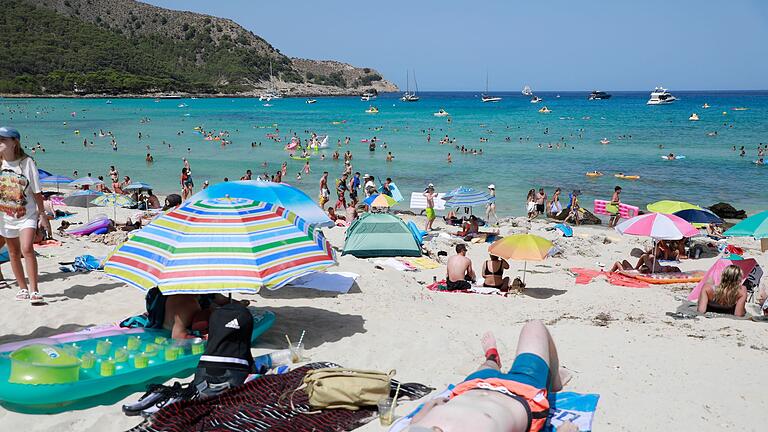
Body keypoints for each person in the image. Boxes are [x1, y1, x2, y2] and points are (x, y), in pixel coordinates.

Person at [408, 321, 576, 432]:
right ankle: (554, 382)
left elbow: (412, 424)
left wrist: (430, 406)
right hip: (522, 393)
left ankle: (492, 357)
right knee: (534, 327)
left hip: (473, 386)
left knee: (487, 366)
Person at [0, 127, 50, 305]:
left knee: (27, 248)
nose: (0, 142)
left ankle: (34, 290)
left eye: (3, 139)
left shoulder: (26, 162)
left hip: (26, 214)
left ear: (15, 142)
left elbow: (36, 190)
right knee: (13, 253)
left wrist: (42, 214)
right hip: (4, 217)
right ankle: (22, 288)